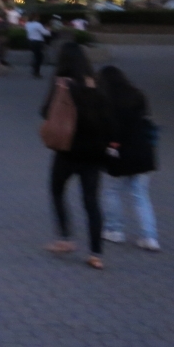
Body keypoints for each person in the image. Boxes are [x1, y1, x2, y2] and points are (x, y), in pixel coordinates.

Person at [41, 42, 116, 270]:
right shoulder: (97, 84)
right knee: (91, 202)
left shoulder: (62, 84)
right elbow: (109, 119)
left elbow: (45, 112)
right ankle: (96, 254)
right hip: (94, 153)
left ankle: (65, 238)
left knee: (56, 190)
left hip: (67, 151)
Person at [98, 66, 160, 251]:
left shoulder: (105, 100)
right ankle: (150, 236)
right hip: (143, 151)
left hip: (119, 153)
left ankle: (114, 230)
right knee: (141, 195)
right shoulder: (138, 95)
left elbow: (107, 128)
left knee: (112, 192)